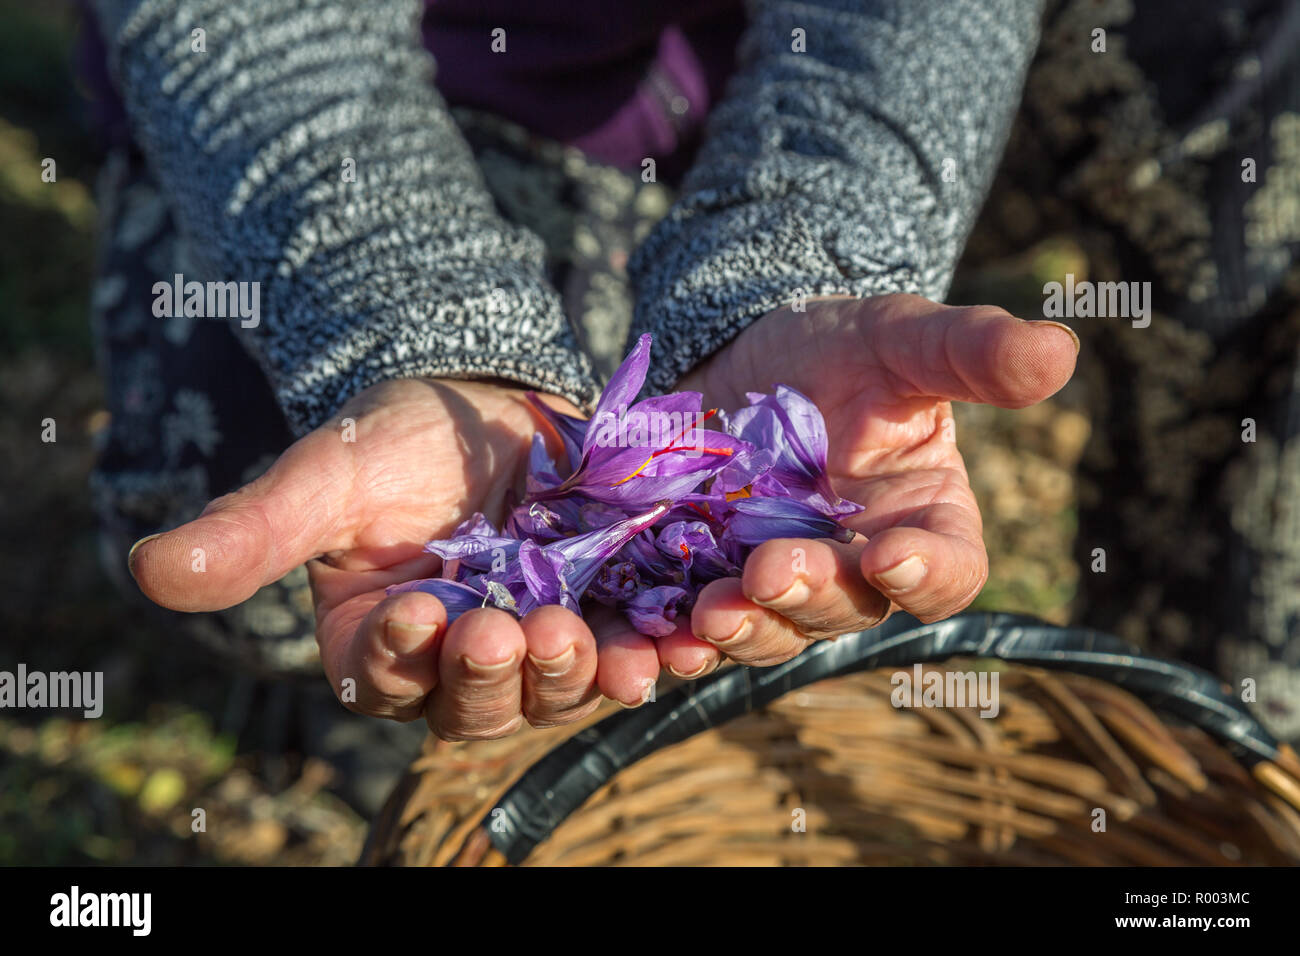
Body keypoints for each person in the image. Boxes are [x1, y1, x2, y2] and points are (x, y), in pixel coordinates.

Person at [83, 0, 1300, 752]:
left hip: (826, 107)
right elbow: (260, 27)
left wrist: (805, 261)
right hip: (429, 112)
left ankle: (1191, 728)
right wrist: (421, 339)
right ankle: (373, 728)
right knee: (273, 483)